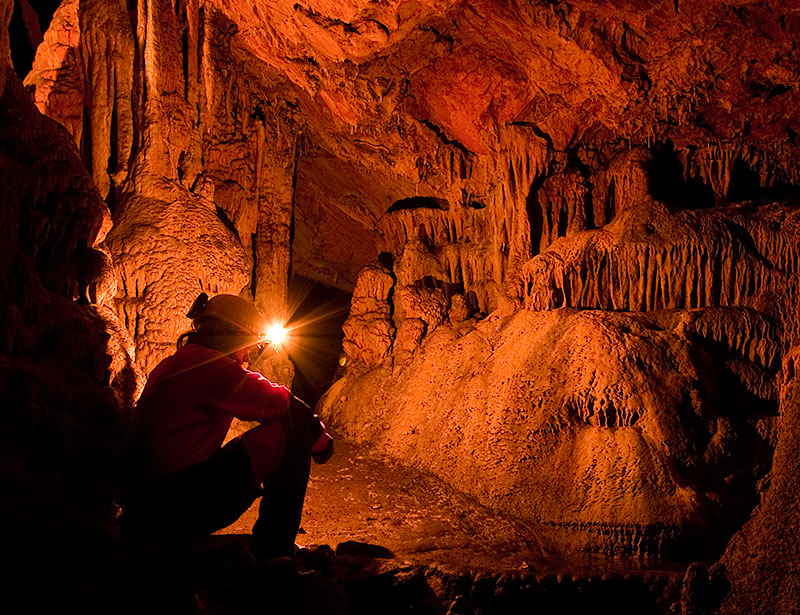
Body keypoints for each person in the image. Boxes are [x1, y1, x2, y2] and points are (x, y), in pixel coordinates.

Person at [120, 293, 333, 558]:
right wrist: (318, 437)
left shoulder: (178, 361)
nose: (247, 356)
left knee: (290, 423)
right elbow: (284, 404)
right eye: (248, 345)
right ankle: (275, 550)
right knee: (291, 429)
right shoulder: (212, 368)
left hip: (147, 501)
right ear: (234, 335)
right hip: (173, 504)